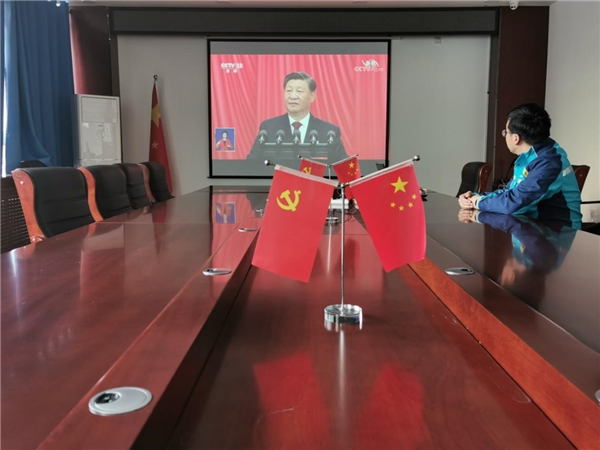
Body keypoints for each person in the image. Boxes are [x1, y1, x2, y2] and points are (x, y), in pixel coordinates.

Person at [458, 103, 582, 229]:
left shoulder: (549, 163)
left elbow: (514, 204)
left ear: (516, 138)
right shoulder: (530, 156)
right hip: (531, 228)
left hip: (558, 235)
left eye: (505, 132)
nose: (505, 136)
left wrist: (477, 202)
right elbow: (510, 193)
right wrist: (474, 197)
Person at [246, 71, 348, 163]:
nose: (293, 96)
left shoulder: (329, 131)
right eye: (289, 91)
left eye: (299, 91)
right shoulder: (268, 128)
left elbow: (344, 167)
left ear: (312, 96)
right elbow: (250, 165)